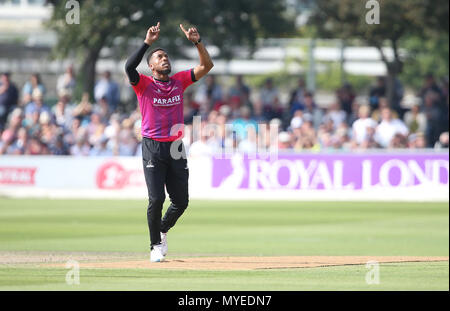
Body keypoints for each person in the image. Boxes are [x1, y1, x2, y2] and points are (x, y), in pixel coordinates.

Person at [125, 22, 213, 262]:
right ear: (151, 65)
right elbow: (128, 66)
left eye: (166, 56)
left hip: (175, 147)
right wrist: (147, 43)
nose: (165, 59)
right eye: (159, 57)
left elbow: (207, 66)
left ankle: (162, 230)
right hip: (152, 145)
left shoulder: (179, 81)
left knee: (181, 202)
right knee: (156, 199)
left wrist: (197, 41)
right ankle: (154, 245)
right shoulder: (143, 84)